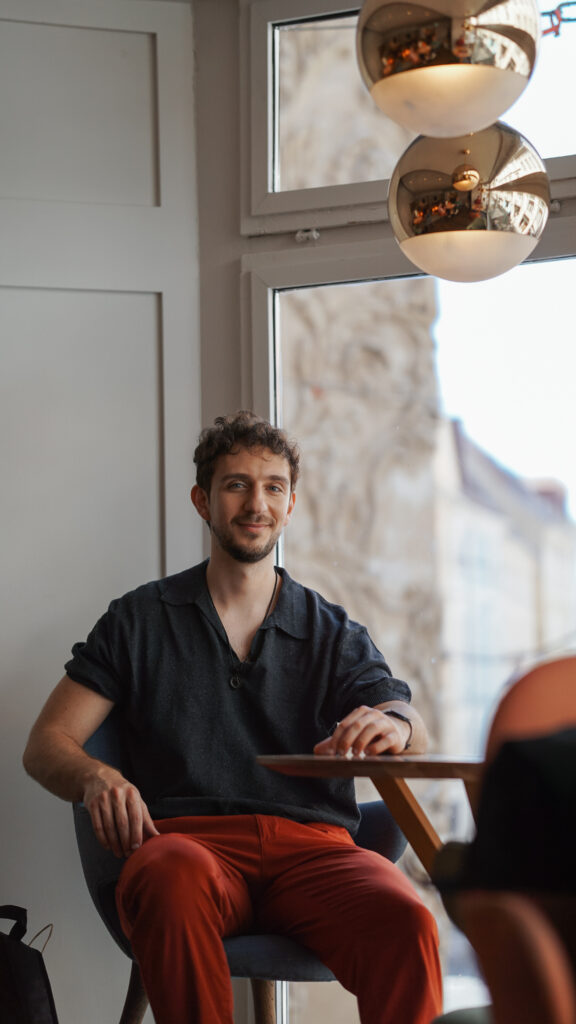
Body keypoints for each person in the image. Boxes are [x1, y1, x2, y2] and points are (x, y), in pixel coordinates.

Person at [23, 411, 443, 1024]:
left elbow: (408, 719)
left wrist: (397, 725)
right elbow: (45, 744)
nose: (257, 502)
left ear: (291, 505)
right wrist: (95, 777)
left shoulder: (329, 628)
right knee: (169, 876)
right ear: (203, 500)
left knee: (407, 920)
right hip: (186, 845)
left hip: (315, 852)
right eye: (236, 484)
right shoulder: (140, 619)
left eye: (274, 486)